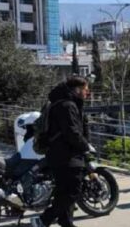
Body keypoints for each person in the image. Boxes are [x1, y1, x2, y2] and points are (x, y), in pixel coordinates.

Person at [32, 77, 91, 227]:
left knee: (63, 192)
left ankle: (66, 222)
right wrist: (86, 146)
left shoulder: (61, 103)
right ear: (77, 89)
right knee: (73, 190)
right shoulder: (66, 106)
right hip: (66, 156)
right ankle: (43, 220)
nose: (87, 92)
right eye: (85, 89)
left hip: (60, 155)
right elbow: (72, 132)